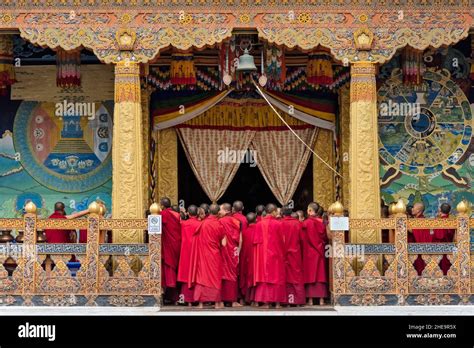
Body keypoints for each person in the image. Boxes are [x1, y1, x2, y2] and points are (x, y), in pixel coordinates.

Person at [188, 204, 226, 309]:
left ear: (208, 211)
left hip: (203, 255)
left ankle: (200, 304)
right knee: (215, 278)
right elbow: (224, 244)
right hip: (215, 255)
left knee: (202, 277)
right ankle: (217, 303)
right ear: (218, 213)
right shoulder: (219, 225)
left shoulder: (202, 224)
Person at [252, 203, 286, 308]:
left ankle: (266, 303)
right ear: (274, 211)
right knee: (277, 276)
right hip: (276, 254)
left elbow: (256, 243)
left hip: (262, 256)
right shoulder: (278, 224)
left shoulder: (258, 224)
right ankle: (277, 303)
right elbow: (282, 241)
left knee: (264, 277)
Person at [302, 202, 329, 306]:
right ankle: (322, 300)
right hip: (320, 251)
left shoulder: (306, 223)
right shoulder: (323, 222)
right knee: (320, 275)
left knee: (311, 275)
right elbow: (326, 237)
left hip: (309, 253)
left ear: (309, 210)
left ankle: (310, 300)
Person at [280, 205, 305, 306]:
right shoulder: (297, 224)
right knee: (296, 276)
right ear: (291, 213)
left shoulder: (280, 223)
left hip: (282, 254)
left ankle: (286, 301)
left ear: (282, 213)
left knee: (284, 276)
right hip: (295, 254)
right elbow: (302, 240)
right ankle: (298, 301)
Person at [219, 203, 242, 307]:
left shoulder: (220, 221)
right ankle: (233, 301)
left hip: (223, 251)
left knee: (223, 273)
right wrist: (238, 251)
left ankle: (222, 301)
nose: (219, 212)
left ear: (226, 211)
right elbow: (240, 239)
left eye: (221, 210)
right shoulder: (236, 222)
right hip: (233, 250)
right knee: (232, 273)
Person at [177, 205, 201, 306]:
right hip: (197, 252)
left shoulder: (183, 224)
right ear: (198, 213)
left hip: (186, 252)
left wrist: (181, 213)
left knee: (186, 273)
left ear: (188, 213)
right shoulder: (201, 224)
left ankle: (186, 299)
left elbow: (178, 220)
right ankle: (196, 298)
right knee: (197, 274)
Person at [160, 197, 182, 304]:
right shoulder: (176, 215)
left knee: (168, 270)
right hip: (177, 244)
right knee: (174, 270)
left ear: (162, 206)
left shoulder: (163, 214)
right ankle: (174, 297)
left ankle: (169, 296)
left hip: (168, 247)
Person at [410, 202, 432, 276]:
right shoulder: (417, 219)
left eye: (414, 208)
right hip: (417, 249)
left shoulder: (420, 221)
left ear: (418, 211)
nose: (412, 209)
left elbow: (412, 230)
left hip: (422, 248)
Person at [240, 212, 257, 305]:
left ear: (246, 221)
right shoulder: (260, 230)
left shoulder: (244, 232)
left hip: (246, 258)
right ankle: (255, 299)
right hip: (257, 259)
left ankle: (247, 298)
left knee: (246, 277)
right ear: (256, 220)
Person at [434, 203, 454, 275]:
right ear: (449, 211)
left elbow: (439, 236)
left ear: (440, 210)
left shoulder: (440, 222)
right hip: (449, 247)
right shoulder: (451, 221)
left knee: (442, 268)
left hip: (440, 248)